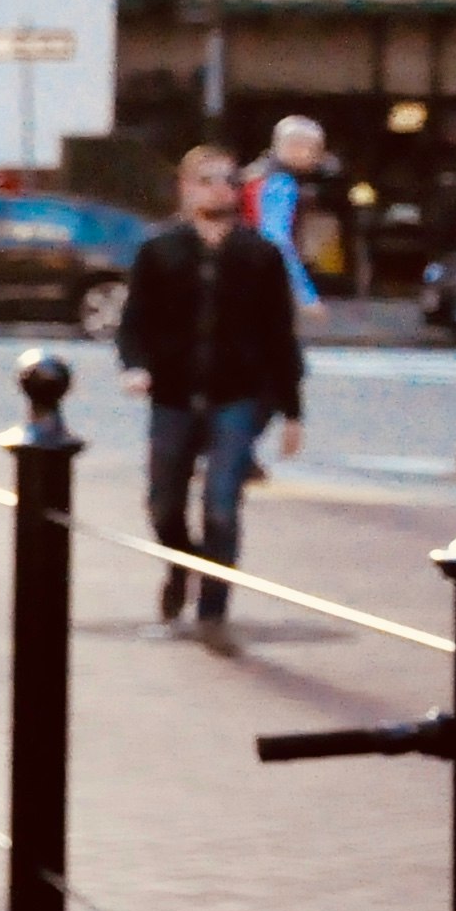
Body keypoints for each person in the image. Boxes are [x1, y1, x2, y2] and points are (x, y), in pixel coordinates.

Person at [118, 144, 306, 651]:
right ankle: (182, 567)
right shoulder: (160, 251)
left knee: (222, 504)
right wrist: (135, 367)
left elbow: (279, 336)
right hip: (174, 396)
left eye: (226, 179)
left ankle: (212, 608)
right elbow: (133, 324)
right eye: (205, 179)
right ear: (186, 187)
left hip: (237, 396)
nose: (217, 188)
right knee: (163, 505)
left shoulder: (258, 255)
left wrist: (292, 411)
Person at [247, 114, 330, 314]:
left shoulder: (256, 175)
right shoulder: (282, 183)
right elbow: (277, 240)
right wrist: (305, 293)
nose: (318, 158)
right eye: (315, 150)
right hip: (258, 274)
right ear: (296, 147)